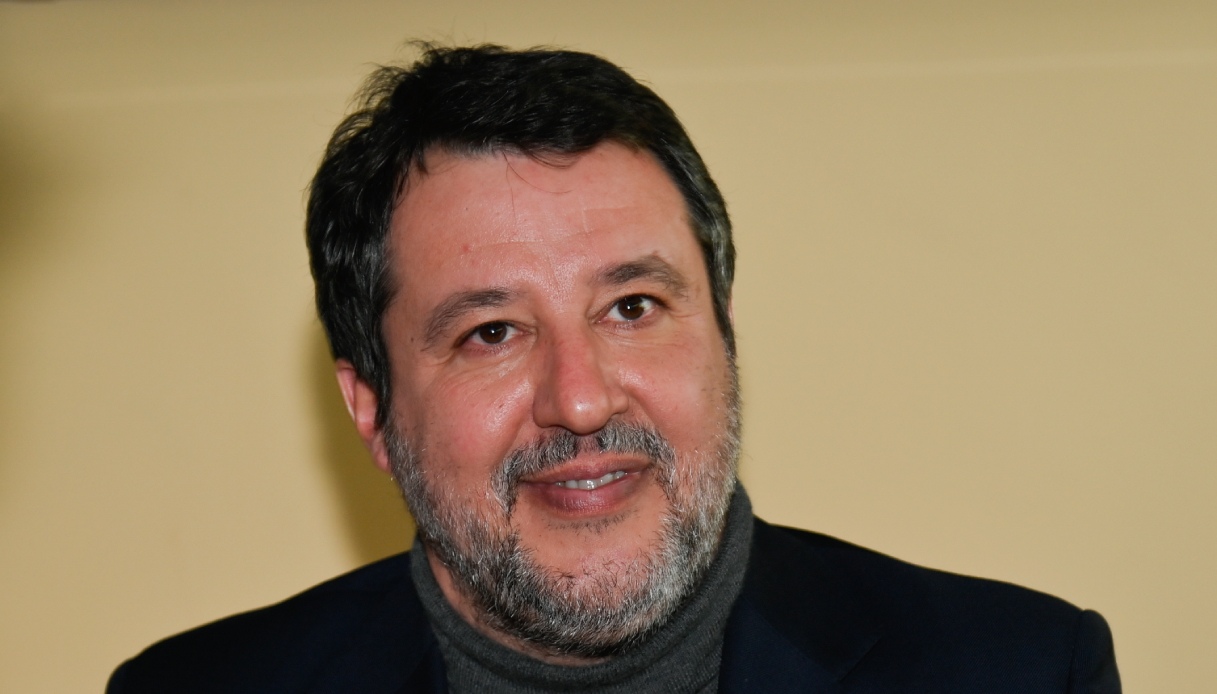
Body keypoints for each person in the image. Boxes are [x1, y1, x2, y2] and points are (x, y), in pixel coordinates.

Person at [107, 44, 1121, 693]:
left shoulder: (1020, 670)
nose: (582, 399)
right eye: (491, 332)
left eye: (631, 308)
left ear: (723, 335)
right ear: (370, 410)